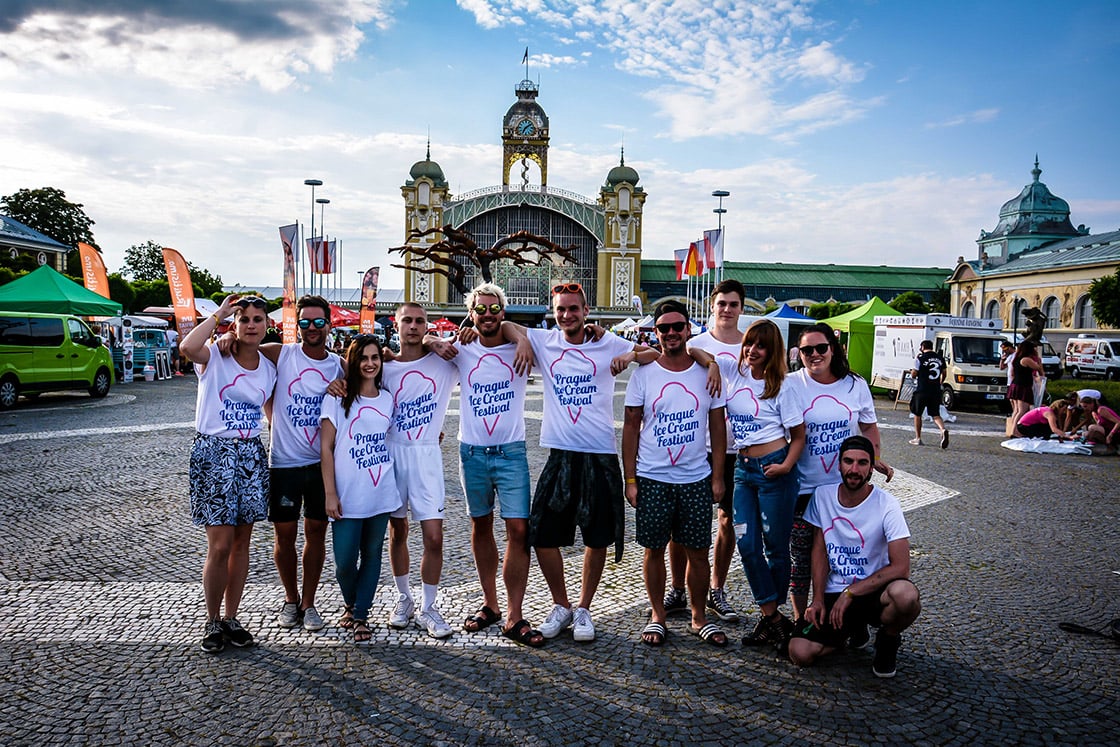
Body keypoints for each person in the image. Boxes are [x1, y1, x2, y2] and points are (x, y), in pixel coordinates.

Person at [501, 283, 662, 642]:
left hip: (599, 452)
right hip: (559, 451)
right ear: (553, 311)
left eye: (574, 309)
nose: (567, 315)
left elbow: (653, 353)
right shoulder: (545, 341)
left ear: (586, 312)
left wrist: (630, 356)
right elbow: (506, 326)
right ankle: (562, 605)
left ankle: (585, 607)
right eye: (561, 309)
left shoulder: (608, 343)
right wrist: (525, 340)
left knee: (597, 534)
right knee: (541, 533)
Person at [622, 300, 729, 647]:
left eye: (677, 326)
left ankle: (699, 617)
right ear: (656, 333)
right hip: (652, 477)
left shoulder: (706, 372)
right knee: (653, 549)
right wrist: (631, 479)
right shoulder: (644, 374)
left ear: (688, 329)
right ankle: (658, 615)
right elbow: (630, 427)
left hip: (696, 477)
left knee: (698, 551)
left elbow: (717, 426)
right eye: (663, 328)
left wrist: (717, 476)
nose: (670, 333)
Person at [443, 283, 544, 646]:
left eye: (494, 309)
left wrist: (519, 335)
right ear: (471, 313)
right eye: (480, 310)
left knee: (519, 530)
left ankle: (515, 614)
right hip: (472, 452)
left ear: (504, 312)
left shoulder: (522, 344)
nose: (488, 315)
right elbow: (419, 347)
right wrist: (434, 342)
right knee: (480, 525)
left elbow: (568, 340)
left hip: (511, 452)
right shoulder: (462, 349)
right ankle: (491, 604)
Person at [180, 294, 277, 654]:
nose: (251, 325)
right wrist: (218, 316)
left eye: (257, 319)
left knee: (241, 544)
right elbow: (188, 347)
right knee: (219, 545)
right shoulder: (216, 356)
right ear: (234, 325)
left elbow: (271, 412)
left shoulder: (269, 369)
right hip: (214, 452)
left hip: (250, 454)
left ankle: (232, 618)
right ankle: (211, 620)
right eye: (244, 319)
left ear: (267, 325)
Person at [784, 323, 894, 624]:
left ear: (834, 349)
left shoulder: (854, 384)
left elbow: (869, 425)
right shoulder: (789, 383)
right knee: (801, 560)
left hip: (843, 489)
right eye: (807, 350)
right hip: (803, 487)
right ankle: (800, 618)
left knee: (844, 555)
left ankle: (851, 619)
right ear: (799, 353)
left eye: (821, 348)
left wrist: (874, 458)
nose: (815, 355)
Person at [787, 436, 921, 678]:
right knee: (799, 652)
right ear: (838, 464)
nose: (854, 469)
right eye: (848, 462)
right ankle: (846, 632)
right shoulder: (822, 496)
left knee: (906, 596)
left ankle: (888, 639)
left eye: (862, 463)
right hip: (834, 589)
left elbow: (901, 567)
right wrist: (817, 599)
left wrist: (852, 592)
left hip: (874, 590)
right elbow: (819, 551)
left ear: (872, 468)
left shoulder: (887, 504)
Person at [257, 295, 342, 632]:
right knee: (285, 534)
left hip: (322, 465)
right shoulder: (282, 353)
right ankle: (290, 600)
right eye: (304, 322)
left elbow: (377, 373)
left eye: (318, 322)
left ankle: (309, 603)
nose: (311, 328)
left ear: (328, 325)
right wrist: (270, 415)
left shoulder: (338, 364)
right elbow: (242, 350)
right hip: (284, 463)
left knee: (317, 533)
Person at [665, 279, 744, 623]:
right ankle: (677, 588)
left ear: (742, 308)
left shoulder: (750, 345)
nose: (727, 309)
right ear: (712, 306)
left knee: (727, 519)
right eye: (721, 303)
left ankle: (717, 588)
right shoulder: (696, 343)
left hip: (738, 446)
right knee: (681, 524)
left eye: (733, 304)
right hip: (698, 446)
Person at [725, 319, 806, 649]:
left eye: (761, 346)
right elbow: (697, 351)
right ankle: (773, 616)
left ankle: (768, 618)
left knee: (775, 545)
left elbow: (799, 436)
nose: (752, 350)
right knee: (745, 542)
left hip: (775, 470)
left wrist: (785, 465)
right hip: (743, 471)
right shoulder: (735, 373)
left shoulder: (782, 385)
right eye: (749, 343)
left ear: (773, 350)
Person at [382, 303, 459, 638]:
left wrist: (433, 342)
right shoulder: (382, 366)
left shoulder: (444, 362)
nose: (413, 326)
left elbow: (494, 334)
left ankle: (429, 605)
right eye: (407, 321)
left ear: (427, 326)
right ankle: (404, 597)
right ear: (396, 325)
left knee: (434, 537)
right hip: (391, 454)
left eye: (420, 322)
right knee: (397, 532)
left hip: (426, 454)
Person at [320, 336, 400, 644]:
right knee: (343, 561)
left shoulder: (388, 399)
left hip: (380, 490)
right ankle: (351, 602)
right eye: (363, 358)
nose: (370, 363)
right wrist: (330, 493)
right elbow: (326, 449)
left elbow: (395, 435)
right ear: (353, 362)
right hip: (347, 494)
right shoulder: (337, 399)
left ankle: (360, 613)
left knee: (372, 555)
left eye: (375, 358)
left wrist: (436, 433)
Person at [908, 339, 949, 448]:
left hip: (922, 389)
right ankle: (942, 429)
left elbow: (913, 374)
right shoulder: (940, 358)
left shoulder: (920, 358)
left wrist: (913, 372)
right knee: (935, 414)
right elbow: (944, 373)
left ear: (922, 347)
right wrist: (941, 382)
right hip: (935, 390)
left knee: (918, 414)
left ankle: (918, 438)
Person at [1007, 341, 1041, 437]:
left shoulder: (1016, 359)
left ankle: (1012, 430)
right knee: (1022, 410)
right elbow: (1038, 367)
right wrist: (1038, 358)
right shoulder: (1026, 359)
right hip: (1023, 386)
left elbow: (1012, 373)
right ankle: (1015, 431)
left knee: (1017, 410)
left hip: (1016, 384)